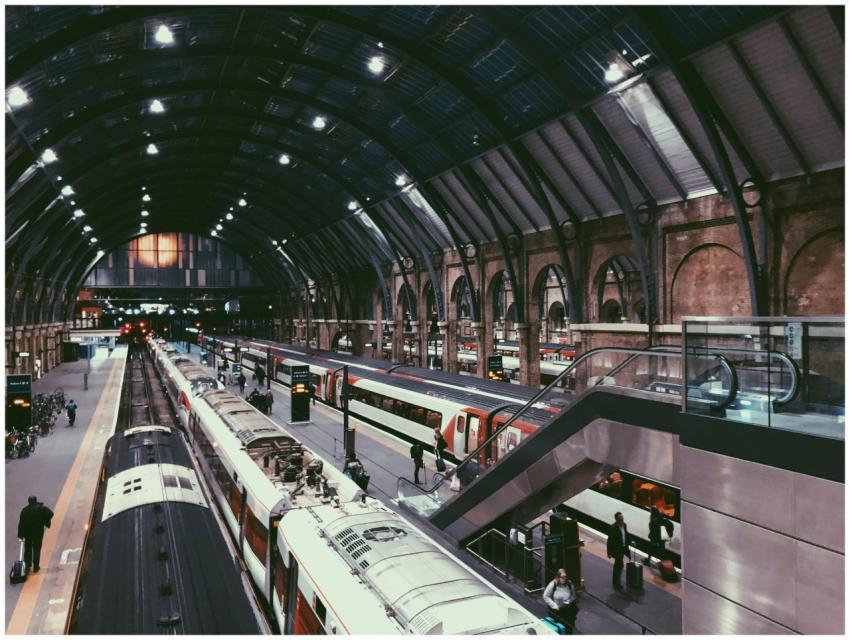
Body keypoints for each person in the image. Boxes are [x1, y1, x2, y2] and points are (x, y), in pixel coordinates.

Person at [17, 496, 54, 573]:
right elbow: (51, 513)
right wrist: (45, 521)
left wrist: (20, 535)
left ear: (29, 501)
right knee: (37, 548)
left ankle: (27, 566)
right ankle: (36, 566)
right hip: (38, 532)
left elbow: (21, 524)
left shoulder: (25, 510)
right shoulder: (41, 508)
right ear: (36, 500)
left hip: (28, 533)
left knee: (28, 549)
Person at [543, 568, 578, 633]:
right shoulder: (553, 584)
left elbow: (573, 596)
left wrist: (569, 601)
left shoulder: (569, 584)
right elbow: (546, 596)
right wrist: (553, 605)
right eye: (562, 577)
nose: (564, 579)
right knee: (558, 629)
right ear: (558, 577)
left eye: (565, 577)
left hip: (567, 611)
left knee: (568, 629)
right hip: (557, 611)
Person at [606, 511, 631, 590]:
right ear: (617, 520)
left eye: (622, 518)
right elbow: (609, 541)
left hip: (623, 548)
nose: (622, 520)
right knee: (618, 565)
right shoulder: (613, 528)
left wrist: (631, 541)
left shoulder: (624, 525)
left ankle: (616, 582)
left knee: (619, 565)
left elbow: (626, 534)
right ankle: (616, 583)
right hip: (617, 549)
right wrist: (609, 552)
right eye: (620, 519)